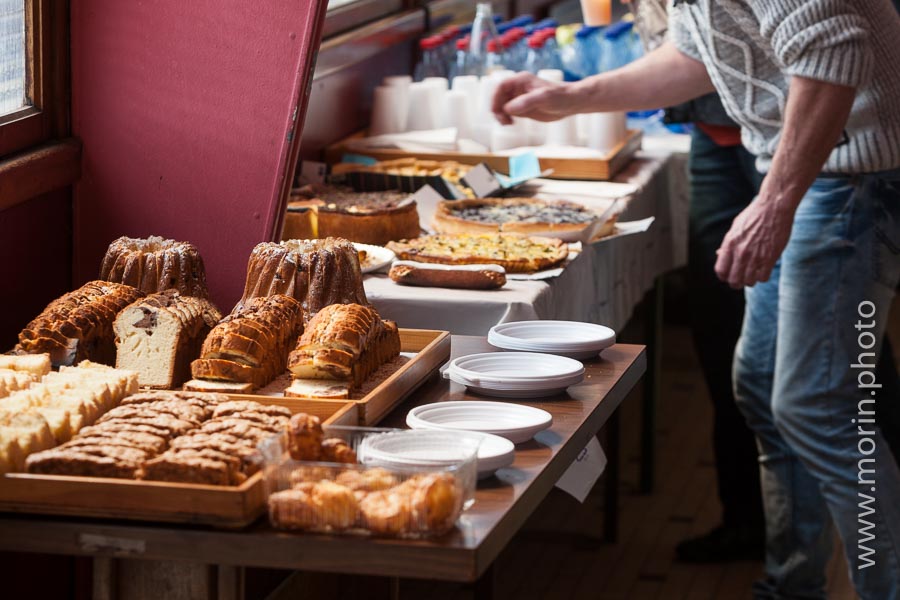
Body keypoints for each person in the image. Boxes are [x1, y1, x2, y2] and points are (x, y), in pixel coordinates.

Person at [492, 1, 900, 598]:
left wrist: (773, 202)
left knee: (818, 404)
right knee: (762, 384)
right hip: (822, 170)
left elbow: (834, 48)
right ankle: (793, 585)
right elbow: (697, 55)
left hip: (854, 176)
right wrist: (572, 96)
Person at [626, 0, 766, 563]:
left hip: (796, 136)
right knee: (721, 334)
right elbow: (690, 50)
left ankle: (884, 533)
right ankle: (747, 522)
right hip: (715, 134)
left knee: (850, 350)